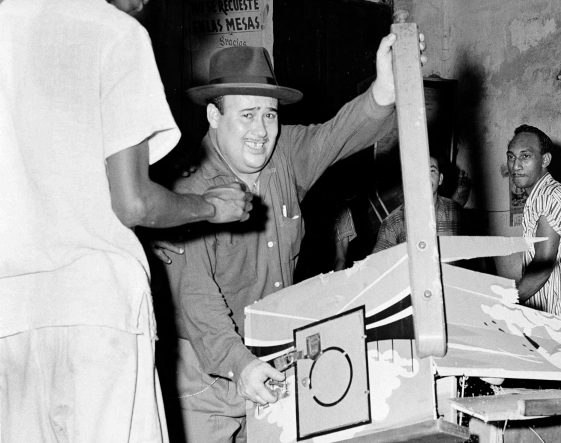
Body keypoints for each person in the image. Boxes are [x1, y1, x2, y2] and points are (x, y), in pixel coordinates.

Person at [0, 0, 253, 442]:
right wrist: (212, 207)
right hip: (97, 309)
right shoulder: (113, 31)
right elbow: (134, 203)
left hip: (11, 320)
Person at [160, 34, 421, 442]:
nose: (261, 131)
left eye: (269, 114)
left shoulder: (284, 155)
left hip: (269, 358)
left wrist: (383, 89)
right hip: (206, 375)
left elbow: (336, 135)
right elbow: (196, 296)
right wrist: (238, 363)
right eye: (246, 115)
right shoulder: (190, 194)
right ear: (214, 115)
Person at [506, 125, 561, 322]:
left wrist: (504, 302)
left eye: (525, 156)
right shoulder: (540, 197)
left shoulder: (551, 197)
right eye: (511, 157)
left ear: (545, 160)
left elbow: (541, 269)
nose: (516, 165)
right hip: (554, 316)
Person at [372, 154, 461, 252]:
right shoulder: (393, 222)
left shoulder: (455, 210)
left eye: (432, 171)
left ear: (440, 179)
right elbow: (379, 264)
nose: (426, 177)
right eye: (420, 171)